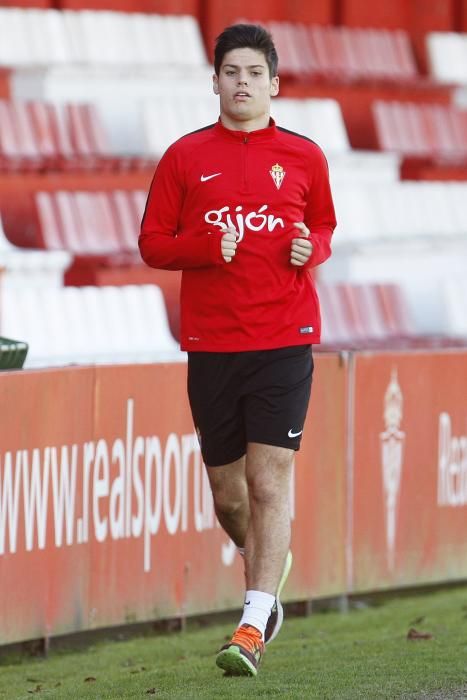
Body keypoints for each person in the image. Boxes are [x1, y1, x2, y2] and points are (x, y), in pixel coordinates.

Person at [139, 23, 336, 677]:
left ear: (273, 84)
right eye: (231, 71)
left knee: (267, 479)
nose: (242, 82)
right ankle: (267, 576)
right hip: (211, 344)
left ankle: (251, 623)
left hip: (284, 340)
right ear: (216, 81)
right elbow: (152, 244)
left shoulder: (305, 156)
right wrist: (204, 246)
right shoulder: (184, 157)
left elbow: (323, 224)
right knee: (229, 498)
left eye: (254, 72)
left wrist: (314, 248)